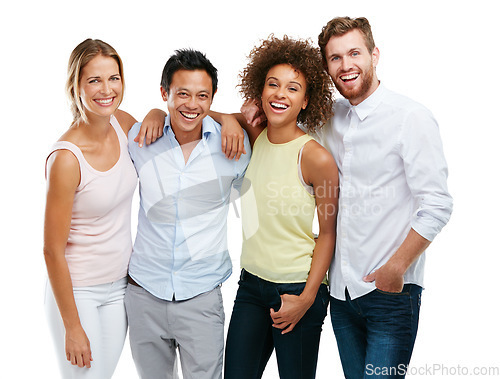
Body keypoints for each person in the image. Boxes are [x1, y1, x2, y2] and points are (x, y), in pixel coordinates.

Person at [315, 16, 453, 378]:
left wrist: (396, 268)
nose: (346, 66)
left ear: (374, 55)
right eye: (335, 58)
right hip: (341, 296)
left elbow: (437, 204)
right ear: (327, 67)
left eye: (354, 53)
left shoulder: (410, 117)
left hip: (391, 294)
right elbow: (275, 116)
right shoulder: (329, 117)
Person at [125, 48, 251, 379]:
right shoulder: (140, 140)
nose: (191, 104)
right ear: (164, 93)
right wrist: (154, 113)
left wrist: (228, 119)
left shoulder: (234, 148)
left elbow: (261, 120)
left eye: (201, 96)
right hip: (143, 294)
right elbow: (104, 114)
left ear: (212, 99)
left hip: (201, 297)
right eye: (182, 93)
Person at [43, 39, 163, 378]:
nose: (106, 89)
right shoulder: (66, 159)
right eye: (94, 80)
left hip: (120, 287)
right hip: (77, 291)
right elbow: (52, 250)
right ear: (76, 86)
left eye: (114, 78)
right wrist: (72, 326)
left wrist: (156, 111)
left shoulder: (122, 124)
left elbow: (169, 126)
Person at [222, 36, 339, 379]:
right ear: (260, 91)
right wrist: (231, 119)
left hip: (298, 289)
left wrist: (306, 298)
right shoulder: (256, 136)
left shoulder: (316, 158)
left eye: (292, 88)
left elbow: (328, 233)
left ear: (305, 101)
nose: (280, 94)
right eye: (273, 85)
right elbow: (203, 113)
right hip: (251, 288)